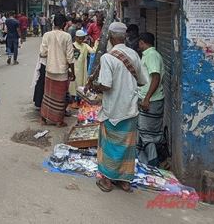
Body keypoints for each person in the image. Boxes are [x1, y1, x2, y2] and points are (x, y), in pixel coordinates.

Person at [87, 22, 148, 193]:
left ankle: (107, 180)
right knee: (127, 148)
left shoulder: (108, 57)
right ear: (124, 36)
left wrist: (95, 87)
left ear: (112, 37)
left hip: (113, 110)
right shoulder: (134, 55)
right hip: (130, 108)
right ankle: (125, 181)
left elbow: (106, 85)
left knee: (109, 146)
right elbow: (142, 80)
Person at [39, 14, 75, 127]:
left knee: (48, 95)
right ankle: (59, 121)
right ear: (64, 24)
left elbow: (42, 53)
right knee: (60, 97)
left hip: (50, 69)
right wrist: (72, 72)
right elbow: (70, 57)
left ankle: (44, 118)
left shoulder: (47, 35)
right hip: (62, 71)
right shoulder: (67, 36)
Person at [137, 32, 165, 167]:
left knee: (148, 134)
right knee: (144, 132)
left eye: (139, 43)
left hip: (152, 101)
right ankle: (148, 161)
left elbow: (156, 77)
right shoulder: (149, 55)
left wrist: (147, 98)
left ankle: (152, 163)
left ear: (142, 42)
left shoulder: (152, 56)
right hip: (148, 99)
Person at [68, 30, 97, 106]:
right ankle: (73, 101)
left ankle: (79, 100)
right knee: (74, 84)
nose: (81, 40)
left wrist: (97, 42)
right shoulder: (72, 45)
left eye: (83, 38)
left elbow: (93, 51)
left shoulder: (85, 45)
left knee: (81, 84)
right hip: (74, 69)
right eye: (79, 38)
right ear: (76, 38)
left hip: (82, 70)